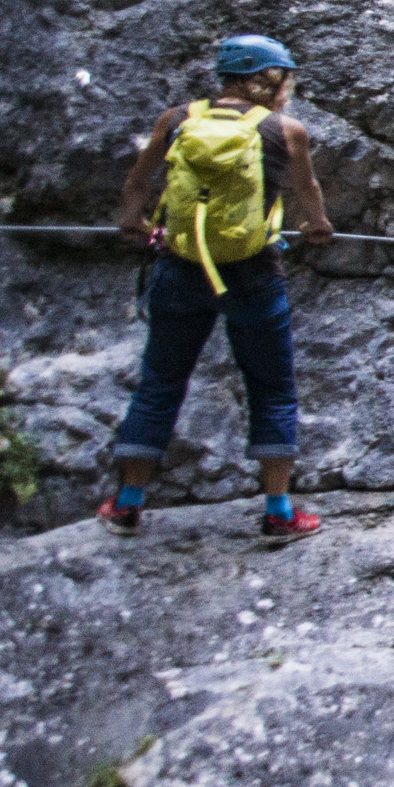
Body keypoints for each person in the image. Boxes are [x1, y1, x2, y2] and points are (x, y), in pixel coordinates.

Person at [103, 34, 337, 539]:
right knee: (272, 388)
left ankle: (127, 504)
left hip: (180, 267)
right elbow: (307, 190)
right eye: (285, 78)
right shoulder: (285, 129)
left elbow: (137, 182)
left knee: (160, 382)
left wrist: (132, 221)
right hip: (253, 273)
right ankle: (278, 511)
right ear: (270, 78)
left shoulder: (179, 119)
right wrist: (316, 225)